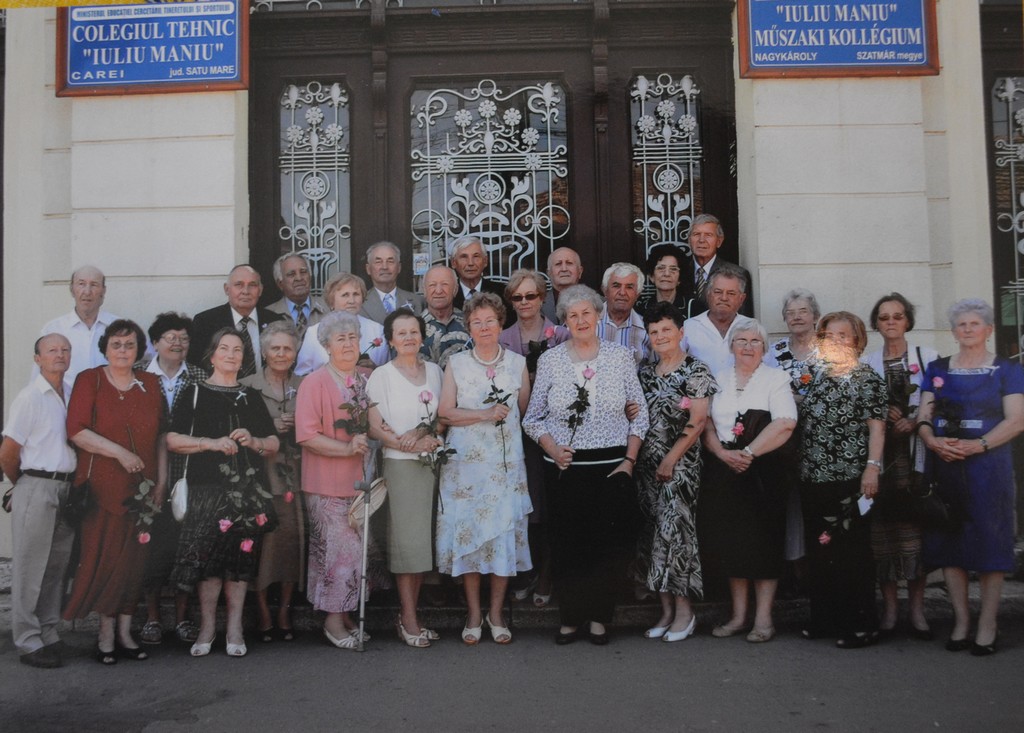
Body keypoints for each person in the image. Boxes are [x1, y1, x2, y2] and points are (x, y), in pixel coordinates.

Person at [523, 284, 649, 645]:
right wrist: (552, 447)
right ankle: (571, 617)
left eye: (586, 313)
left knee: (607, 545)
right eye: (572, 315)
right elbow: (532, 418)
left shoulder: (620, 357)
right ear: (564, 321)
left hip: (611, 466)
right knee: (568, 545)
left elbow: (640, 415)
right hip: (565, 469)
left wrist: (629, 461)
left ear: (598, 316)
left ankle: (599, 617)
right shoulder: (550, 360)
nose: (580, 320)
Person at [917, 298, 1024, 656]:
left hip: (988, 466)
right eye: (961, 324)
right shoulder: (938, 368)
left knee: (990, 542)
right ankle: (961, 621)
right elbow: (924, 415)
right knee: (951, 543)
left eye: (974, 324)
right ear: (953, 331)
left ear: (988, 330)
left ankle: (988, 624)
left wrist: (979, 445)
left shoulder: (1007, 370)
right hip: (946, 463)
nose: (967, 329)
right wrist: (932, 441)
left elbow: (1017, 420)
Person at [168, 328, 280, 658]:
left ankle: (234, 629)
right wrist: (210, 443)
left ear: (243, 359)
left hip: (246, 493)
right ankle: (207, 628)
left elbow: (273, 443)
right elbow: (171, 440)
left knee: (240, 563)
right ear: (212, 355)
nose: (231, 355)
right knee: (208, 565)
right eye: (224, 349)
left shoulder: (251, 396)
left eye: (237, 350)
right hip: (207, 491)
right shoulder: (194, 392)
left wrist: (254, 441)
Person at [63, 320, 165, 665]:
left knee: (134, 564)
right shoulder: (89, 380)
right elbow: (76, 431)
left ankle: (125, 632)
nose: (123, 350)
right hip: (101, 490)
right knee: (106, 561)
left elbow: (161, 437)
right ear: (105, 348)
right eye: (116, 344)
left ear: (139, 350)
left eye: (130, 345)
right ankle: (105, 634)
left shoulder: (150, 384)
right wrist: (120, 453)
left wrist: (161, 483)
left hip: (142, 491)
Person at [438, 293, 533, 644]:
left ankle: (496, 613)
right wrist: (483, 414)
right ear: (468, 327)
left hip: (505, 466)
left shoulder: (517, 364)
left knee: (501, 537)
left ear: (500, 323)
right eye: (476, 322)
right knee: (471, 540)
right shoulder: (456, 363)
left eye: (490, 321)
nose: (484, 327)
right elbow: (445, 413)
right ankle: (474, 613)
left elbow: (524, 412)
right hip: (466, 467)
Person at [700, 320, 797, 643]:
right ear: (731, 346)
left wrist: (749, 453)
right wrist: (722, 453)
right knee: (733, 545)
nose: (747, 346)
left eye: (755, 341)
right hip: (724, 469)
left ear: (764, 348)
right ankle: (739, 616)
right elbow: (706, 423)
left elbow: (785, 423)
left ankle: (764, 620)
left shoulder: (776, 378)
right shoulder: (718, 378)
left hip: (763, 472)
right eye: (741, 340)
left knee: (764, 544)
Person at [799, 311, 886, 649]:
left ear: (856, 339)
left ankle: (862, 624)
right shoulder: (815, 374)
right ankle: (825, 620)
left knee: (852, 552)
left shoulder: (866, 377)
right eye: (828, 335)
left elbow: (877, 427)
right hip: (813, 475)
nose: (834, 340)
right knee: (820, 549)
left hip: (851, 477)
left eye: (842, 335)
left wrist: (872, 468)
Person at [633, 303, 715, 643]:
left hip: (680, 467)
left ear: (681, 332)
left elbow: (698, 421)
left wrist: (670, 460)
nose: (660, 336)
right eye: (654, 332)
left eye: (666, 329)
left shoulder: (696, 370)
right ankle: (665, 611)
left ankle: (685, 613)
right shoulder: (645, 373)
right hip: (646, 468)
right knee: (654, 536)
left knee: (677, 536)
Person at [295, 312, 374, 650]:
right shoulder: (313, 383)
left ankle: (343, 613)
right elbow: (306, 435)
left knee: (355, 555)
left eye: (353, 338)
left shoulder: (366, 380)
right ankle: (332, 621)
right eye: (340, 339)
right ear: (326, 346)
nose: (348, 344)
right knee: (337, 555)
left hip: (361, 482)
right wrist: (346, 449)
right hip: (325, 483)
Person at [862, 293, 938, 640]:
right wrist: (881, 415)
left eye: (897, 316)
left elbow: (937, 402)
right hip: (880, 459)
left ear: (907, 321)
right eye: (884, 317)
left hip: (914, 457)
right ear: (876, 324)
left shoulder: (927, 357)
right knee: (883, 535)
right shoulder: (867, 363)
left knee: (915, 534)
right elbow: (861, 407)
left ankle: (917, 611)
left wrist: (916, 419)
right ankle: (891, 611)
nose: (891, 322)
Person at [367, 309, 445, 648]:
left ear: (422, 336)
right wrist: (407, 444)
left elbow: (441, 417)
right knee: (405, 544)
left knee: (422, 545)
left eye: (414, 331)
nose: (409, 337)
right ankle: (408, 617)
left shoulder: (436, 371)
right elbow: (374, 427)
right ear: (390, 340)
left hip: (432, 465)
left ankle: (411, 614)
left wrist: (425, 435)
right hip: (400, 465)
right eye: (401, 333)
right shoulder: (381, 376)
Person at [1, 334, 77, 668]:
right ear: (38, 359)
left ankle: (49, 632)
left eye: (65, 349)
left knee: (55, 567)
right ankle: (28, 641)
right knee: (30, 568)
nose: (59, 354)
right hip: (36, 484)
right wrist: (22, 485)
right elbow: (8, 451)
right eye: (52, 350)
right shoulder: (30, 397)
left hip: (67, 489)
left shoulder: (71, 393)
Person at [137, 312, 207, 646]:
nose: (177, 343)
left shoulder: (199, 375)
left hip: (188, 471)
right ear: (155, 343)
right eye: (170, 337)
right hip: (145, 472)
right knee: (149, 547)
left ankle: (182, 618)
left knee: (186, 547)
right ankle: (152, 618)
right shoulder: (138, 375)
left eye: (184, 338)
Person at [499, 269, 568, 607]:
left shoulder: (562, 335)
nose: (524, 302)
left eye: (531, 296)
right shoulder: (502, 338)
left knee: (549, 503)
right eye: (518, 297)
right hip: (514, 433)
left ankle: (547, 572)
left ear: (542, 298)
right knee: (523, 505)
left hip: (553, 431)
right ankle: (524, 572)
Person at [241, 321, 306, 643]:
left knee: (291, 541)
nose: (281, 354)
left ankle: (284, 610)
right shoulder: (247, 386)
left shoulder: (305, 384)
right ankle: (264, 611)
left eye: (287, 348)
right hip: (261, 475)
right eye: (275, 348)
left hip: (296, 474)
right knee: (263, 544)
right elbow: (238, 429)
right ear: (264, 352)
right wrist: (269, 426)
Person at [764, 288, 822, 590]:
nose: (797, 317)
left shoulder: (828, 351)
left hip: (821, 440)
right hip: (785, 442)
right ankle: (793, 571)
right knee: (789, 504)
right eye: (791, 313)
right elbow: (766, 389)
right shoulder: (774, 352)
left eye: (803, 311)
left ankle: (817, 569)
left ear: (815, 316)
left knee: (815, 502)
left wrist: (794, 398)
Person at [188, 264, 285, 378]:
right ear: (226, 289)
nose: (245, 291)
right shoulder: (205, 322)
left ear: (260, 290)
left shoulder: (275, 321)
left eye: (252, 285)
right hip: (221, 388)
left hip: (266, 388)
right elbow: (196, 364)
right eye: (239, 285)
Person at [40, 265, 121, 384]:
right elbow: (40, 378)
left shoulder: (120, 328)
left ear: (103, 291)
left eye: (94, 285)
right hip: (68, 396)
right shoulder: (53, 329)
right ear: (72, 289)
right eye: (81, 284)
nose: (87, 292)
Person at [296, 272, 389, 375]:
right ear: (331, 301)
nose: (351, 300)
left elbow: (387, 372)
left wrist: (374, 368)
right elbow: (302, 374)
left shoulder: (377, 330)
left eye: (356, 294)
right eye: (345, 295)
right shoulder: (314, 332)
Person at [679, 214, 753, 317]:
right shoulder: (680, 271)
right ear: (689, 240)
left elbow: (744, 317)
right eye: (696, 234)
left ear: (719, 241)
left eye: (708, 235)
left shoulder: (737, 274)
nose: (701, 240)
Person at [596, 262, 650, 366]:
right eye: (616, 286)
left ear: (638, 294)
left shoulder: (647, 329)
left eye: (629, 287)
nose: (622, 292)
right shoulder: (586, 323)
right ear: (605, 290)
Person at [266, 253, 329, 339]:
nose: (299, 278)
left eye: (303, 272)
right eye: (291, 274)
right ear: (280, 284)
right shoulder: (269, 314)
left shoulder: (328, 308)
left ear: (310, 277)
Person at [360, 240, 426, 323]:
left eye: (390, 261)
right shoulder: (360, 303)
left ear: (399, 267)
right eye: (378, 262)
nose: (384, 267)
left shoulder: (418, 302)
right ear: (368, 269)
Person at [448, 235, 512, 321]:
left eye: (476, 256)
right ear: (453, 263)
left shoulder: (503, 293)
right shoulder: (448, 295)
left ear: (485, 261)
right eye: (464, 257)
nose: (470, 263)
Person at [420, 264, 471, 369]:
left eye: (445, 284)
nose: (438, 291)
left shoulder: (470, 322)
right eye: (432, 285)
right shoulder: (413, 327)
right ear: (424, 290)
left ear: (455, 290)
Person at [637, 244, 695, 318]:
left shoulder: (693, 308)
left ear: (680, 278)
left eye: (673, 269)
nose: (667, 274)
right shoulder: (641, 310)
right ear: (651, 276)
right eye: (661, 268)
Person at [541, 247, 583, 323]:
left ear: (580, 272)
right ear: (549, 273)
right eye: (558, 264)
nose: (564, 269)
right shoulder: (537, 304)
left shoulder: (600, 303)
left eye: (569, 263)